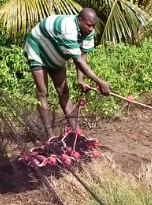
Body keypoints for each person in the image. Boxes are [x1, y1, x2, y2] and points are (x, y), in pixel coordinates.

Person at [25, 8, 112, 138]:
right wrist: (99, 81)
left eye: (94, 25)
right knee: (43, 92)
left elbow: (83, 56)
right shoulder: (68, 29)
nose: (91, 28)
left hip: (56, 54)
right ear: (79, 20)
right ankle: (50, 136)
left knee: (64, 92)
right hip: (38, 48)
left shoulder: (88, 32)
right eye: (89, 25)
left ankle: (76, 133)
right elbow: (78, 62)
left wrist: (80, 80)